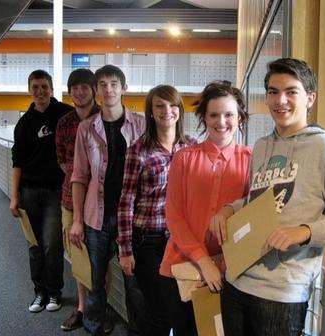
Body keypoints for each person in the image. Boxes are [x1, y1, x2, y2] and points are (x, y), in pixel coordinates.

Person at [210, 58, 325, 336]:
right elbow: (257, 201)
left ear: (310, 98)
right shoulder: (261, 146)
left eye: (291, 91)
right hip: (237, 279)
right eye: (273, 92)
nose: (280, 100)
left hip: (283, 290)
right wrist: (230, 208)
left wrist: (304, 231)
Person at [159, 81, 251, 336]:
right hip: (182, 268)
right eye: (213, 114)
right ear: (204, 117)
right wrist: (204, 263)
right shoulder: (185, 158)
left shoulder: (250, 160)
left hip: (229, 272)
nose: (221, 121)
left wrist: (217, 266)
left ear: (239, 117)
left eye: (229, 114)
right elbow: (174, 216)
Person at [70, 65, 146, 335]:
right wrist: (77, 220)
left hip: (134, 217)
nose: (108, 89)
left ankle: (137, 329)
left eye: (114, 83)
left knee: (134, 280)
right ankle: (94, 325)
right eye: (102, 84)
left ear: (123, 88)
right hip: (96, 216)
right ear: (97, 90)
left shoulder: (141, 125)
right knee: (95, 278)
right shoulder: (86, 128)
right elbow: (79, 176)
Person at [117, 85, 196, 335]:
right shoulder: (138, 150)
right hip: (149, 240)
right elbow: (126, 203)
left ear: (180, 111)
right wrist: (125, 250)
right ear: (150, 112)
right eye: (159, 106)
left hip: (182, 240)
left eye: (172, 105)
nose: (167, 111)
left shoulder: (191, 147)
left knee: (183, 307)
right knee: (158, 312)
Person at [10, 69, 72, 313]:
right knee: (34, 245)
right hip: (29, 192)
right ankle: (40, 292)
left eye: (44, 86)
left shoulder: (65, 114)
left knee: (52, 245)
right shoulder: (25, 123)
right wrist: (15, 197)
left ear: (52, 89)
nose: (40, 91)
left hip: (56, 192)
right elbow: (17, 163)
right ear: (30, 90)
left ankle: (55, 292)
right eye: (35, 87)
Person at [55, 68, 100, 331]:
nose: (79, 92)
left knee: (100, 257)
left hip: (101, 201)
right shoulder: (65, 123)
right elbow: (63, 162)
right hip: (70, 200)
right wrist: (81, 178)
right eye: (74, 88)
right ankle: (82, 307)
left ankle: (99, 307)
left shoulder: (104, 119)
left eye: (84, 87)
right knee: (77, 255)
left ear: (94, 90)